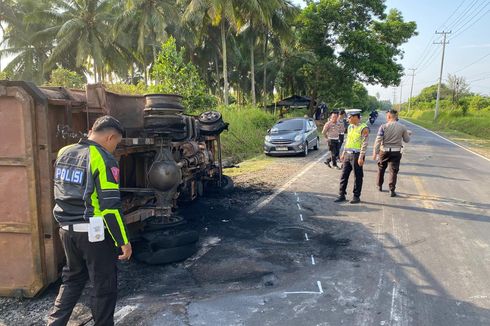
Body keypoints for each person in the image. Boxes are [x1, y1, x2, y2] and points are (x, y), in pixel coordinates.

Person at [48, 116, 132, 326]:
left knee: (72, 279)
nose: (114, 148)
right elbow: (110, 207)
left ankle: (54, 323)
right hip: (92, 231)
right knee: (104, 285)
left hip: (66, 229)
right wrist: (123, 241)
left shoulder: (64, 152)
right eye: (116, 143)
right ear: (110, 137)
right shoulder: (103, 158)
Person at [372, 109, 411, 197]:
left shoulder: (383, 127)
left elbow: (378, 140)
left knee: (381, 168)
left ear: (389, 116)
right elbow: (407, 140)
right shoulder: (403, 127)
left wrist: (375, 152)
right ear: (396, 116)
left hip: (384, 151)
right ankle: (391, 190)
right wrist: (408, 134)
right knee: (393, 171)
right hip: (396, 152)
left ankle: (379, 185)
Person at [334, 111, 369, 204]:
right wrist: (343, 153)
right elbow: (348, 140)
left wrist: (361, 156)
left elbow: (365, 143)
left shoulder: (364, 128)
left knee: (358, 176)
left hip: (357, 155)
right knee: (343, 175)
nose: (347, 119)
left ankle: (356, 196)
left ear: (356, 117)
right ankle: (341, 194)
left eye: (349, 117)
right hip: (347, 155)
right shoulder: (350, 127)